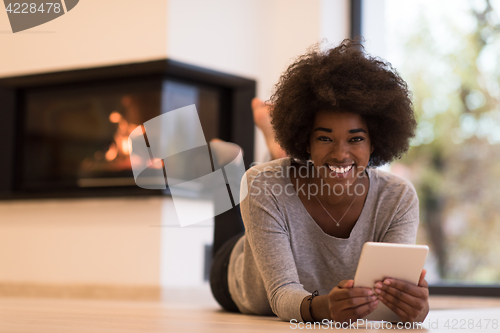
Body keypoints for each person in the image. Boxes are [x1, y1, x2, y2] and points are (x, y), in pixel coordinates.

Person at [209, 39, 429, 324]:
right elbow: (280, 294)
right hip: (238, 276)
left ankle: (277, 150)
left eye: (356, 139)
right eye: (324, 138)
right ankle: (270, 155)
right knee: (256, 185)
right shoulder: (264, 183)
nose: (340, 153)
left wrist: (411, 308)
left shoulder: (397, 197)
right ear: (306, 140)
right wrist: (323, 309)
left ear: (375, 141)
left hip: (286, 207)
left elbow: (389, 300)